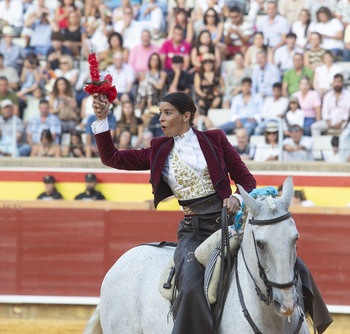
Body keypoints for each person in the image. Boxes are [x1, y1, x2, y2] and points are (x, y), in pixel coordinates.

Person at [91, 91, 256, 334]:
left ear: (186, 116)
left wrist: (236, 197)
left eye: (167, 113)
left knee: (281, 258)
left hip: (230, 225)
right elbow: (111, 157)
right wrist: (102, 119)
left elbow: (246, 179)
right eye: (160, 113)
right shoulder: (159, 150)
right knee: (190, 286)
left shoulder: (215, 139)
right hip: (195, 231)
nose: (161, 119)